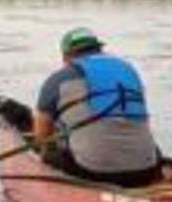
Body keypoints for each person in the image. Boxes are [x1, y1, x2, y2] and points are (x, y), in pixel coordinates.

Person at [33, 27, 163, 188]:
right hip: (146, 171)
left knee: (49, 153)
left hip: (93, 174)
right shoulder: (129, 71)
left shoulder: (58, 79)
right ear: (100, 49)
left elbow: (41, 136)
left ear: (66, 57)